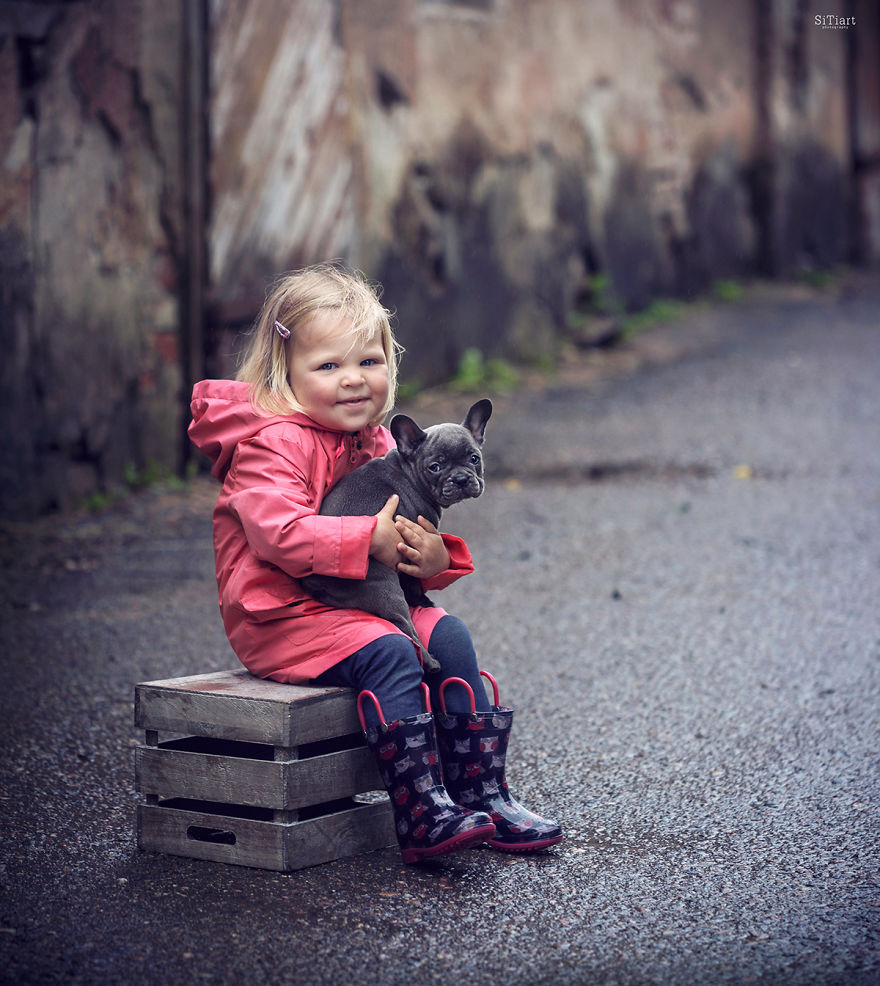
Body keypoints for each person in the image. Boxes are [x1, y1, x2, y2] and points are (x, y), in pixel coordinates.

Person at [188, 262, 562, 864]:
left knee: (451, 637)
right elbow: (279, 534)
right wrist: (369, 540)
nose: (354, 380)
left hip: (365, 596)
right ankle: (420, 809)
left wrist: (435, 557)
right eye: (328, 366)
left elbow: (407, 537)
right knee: (391, 650)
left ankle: (481, 794)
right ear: (285, 373)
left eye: (369, 361)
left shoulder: (379, 441)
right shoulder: (270, 445)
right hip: (284, 614)